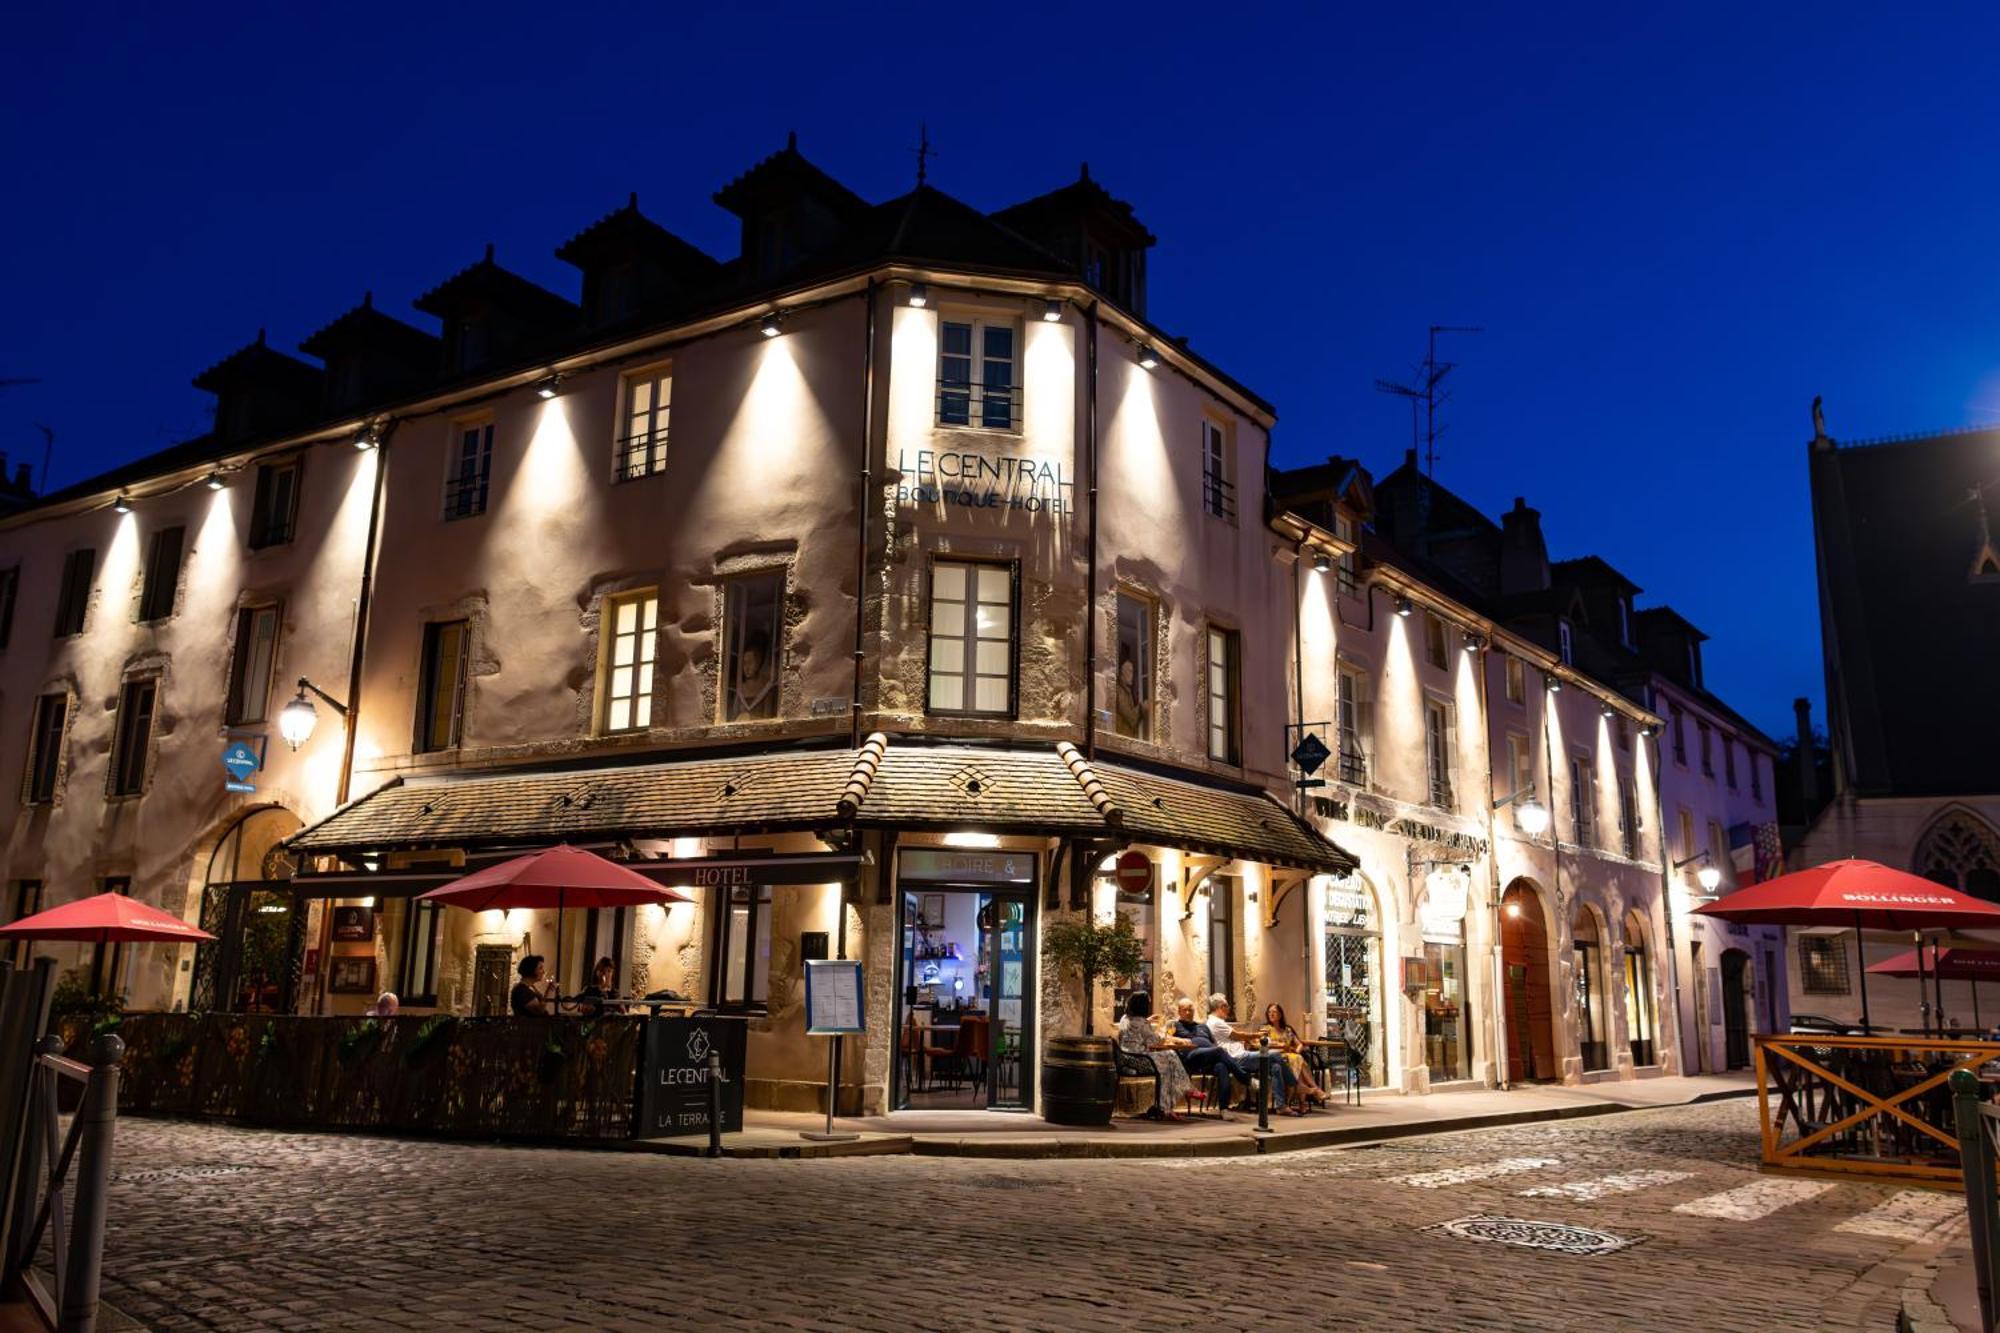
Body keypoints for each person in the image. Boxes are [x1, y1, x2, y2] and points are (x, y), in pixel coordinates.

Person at [1205, 994, 1299, 1115]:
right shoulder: (1216, 1022)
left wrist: (1248, 1039)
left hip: (1242, 1055)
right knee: (1275, 1055)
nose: (1229, 1009)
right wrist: (1256, 1035)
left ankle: (1281, 1106)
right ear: (1221, 1007)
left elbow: (1234, 1038)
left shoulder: (1217, 1022)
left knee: (1276, 1067)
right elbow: (1238, 1035)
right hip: (1238, 1058)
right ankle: (1295, 1085)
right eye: (1227, 1006)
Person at [1117, 991, 1192, 1121]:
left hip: (1125, 1058)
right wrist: (1163, 1034)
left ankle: (1167, 1106)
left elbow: (1130, 1033)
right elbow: (1154, 1042)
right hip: (1139, 1060)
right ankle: (1173, 1101)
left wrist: (1148, 1022)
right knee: (1170, 1058)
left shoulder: (1124, 1019)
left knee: (1168, 1061)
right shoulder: (1142, 1022)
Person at [1170, 995, 1246, 1115]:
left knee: (1222, 1067)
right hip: (1191, 1058)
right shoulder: (1175, 1025)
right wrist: (1177, 1039)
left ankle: (1224, 1109)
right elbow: (1164, 1036)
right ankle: (1245, 1079)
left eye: (1191, 1009)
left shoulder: (1202, 1026)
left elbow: (1213, 1043)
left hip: (1208, 1057)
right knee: (1219, 1051)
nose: (1189, 1012)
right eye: (1185, 1010)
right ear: (1179, 1011)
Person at [1260, 1002, 1327, 1110]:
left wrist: (1297, 1050)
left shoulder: (1287, 1030)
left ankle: (1307, 1095)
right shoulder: (1265, 1029)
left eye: (1274, 1012)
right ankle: (1312, 1092)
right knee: (1298, 1060)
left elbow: (1299, 1044)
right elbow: (1264, 1045)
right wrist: (1284, 1048)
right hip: (1277, 1057)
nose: (1271, 1014)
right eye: (1269, 1012)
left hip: (1291, 1056)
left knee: (1298, 1059)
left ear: (1280, 1015)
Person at [1114, 653, 1145, 737]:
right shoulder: (1119, 691)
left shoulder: (1127, 691)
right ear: (1122, 673)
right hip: (1121, 738)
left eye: (1132, 671)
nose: (1132, 675)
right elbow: (1131, 718)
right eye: (1129, 671)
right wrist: (1142, 707)